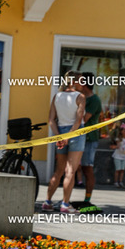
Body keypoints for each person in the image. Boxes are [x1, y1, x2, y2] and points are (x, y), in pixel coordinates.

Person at [42, 71, 86, 213]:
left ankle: (47, 202)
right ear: (74, 82)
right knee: (70, 171)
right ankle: (65, 205)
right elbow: (78, 120)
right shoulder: (80, 97)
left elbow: (51, 120)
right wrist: (68, 137)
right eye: (81, 81)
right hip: (76, 133)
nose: (83, 83)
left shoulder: (57, 96)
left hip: (60, 132)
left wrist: (59, 137)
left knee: (59, 170)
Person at [74, 72, 102, 205]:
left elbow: (84, 119)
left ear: (84, 84)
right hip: (78, 138)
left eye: (79, 81)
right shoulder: (80, 97)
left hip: (89, 139)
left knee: (87, 168)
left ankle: (87, 200)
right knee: (72, 168)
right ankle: (66, 201)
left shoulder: (94, 100)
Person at [112, 123, 125, 188]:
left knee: (122, 170)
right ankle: (116, 182)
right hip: (117, 156)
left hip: (124, 156)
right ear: (121, 131)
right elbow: (116, 146)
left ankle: (120, 181)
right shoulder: (118, 139)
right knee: (118, 169)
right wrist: (116, 146)